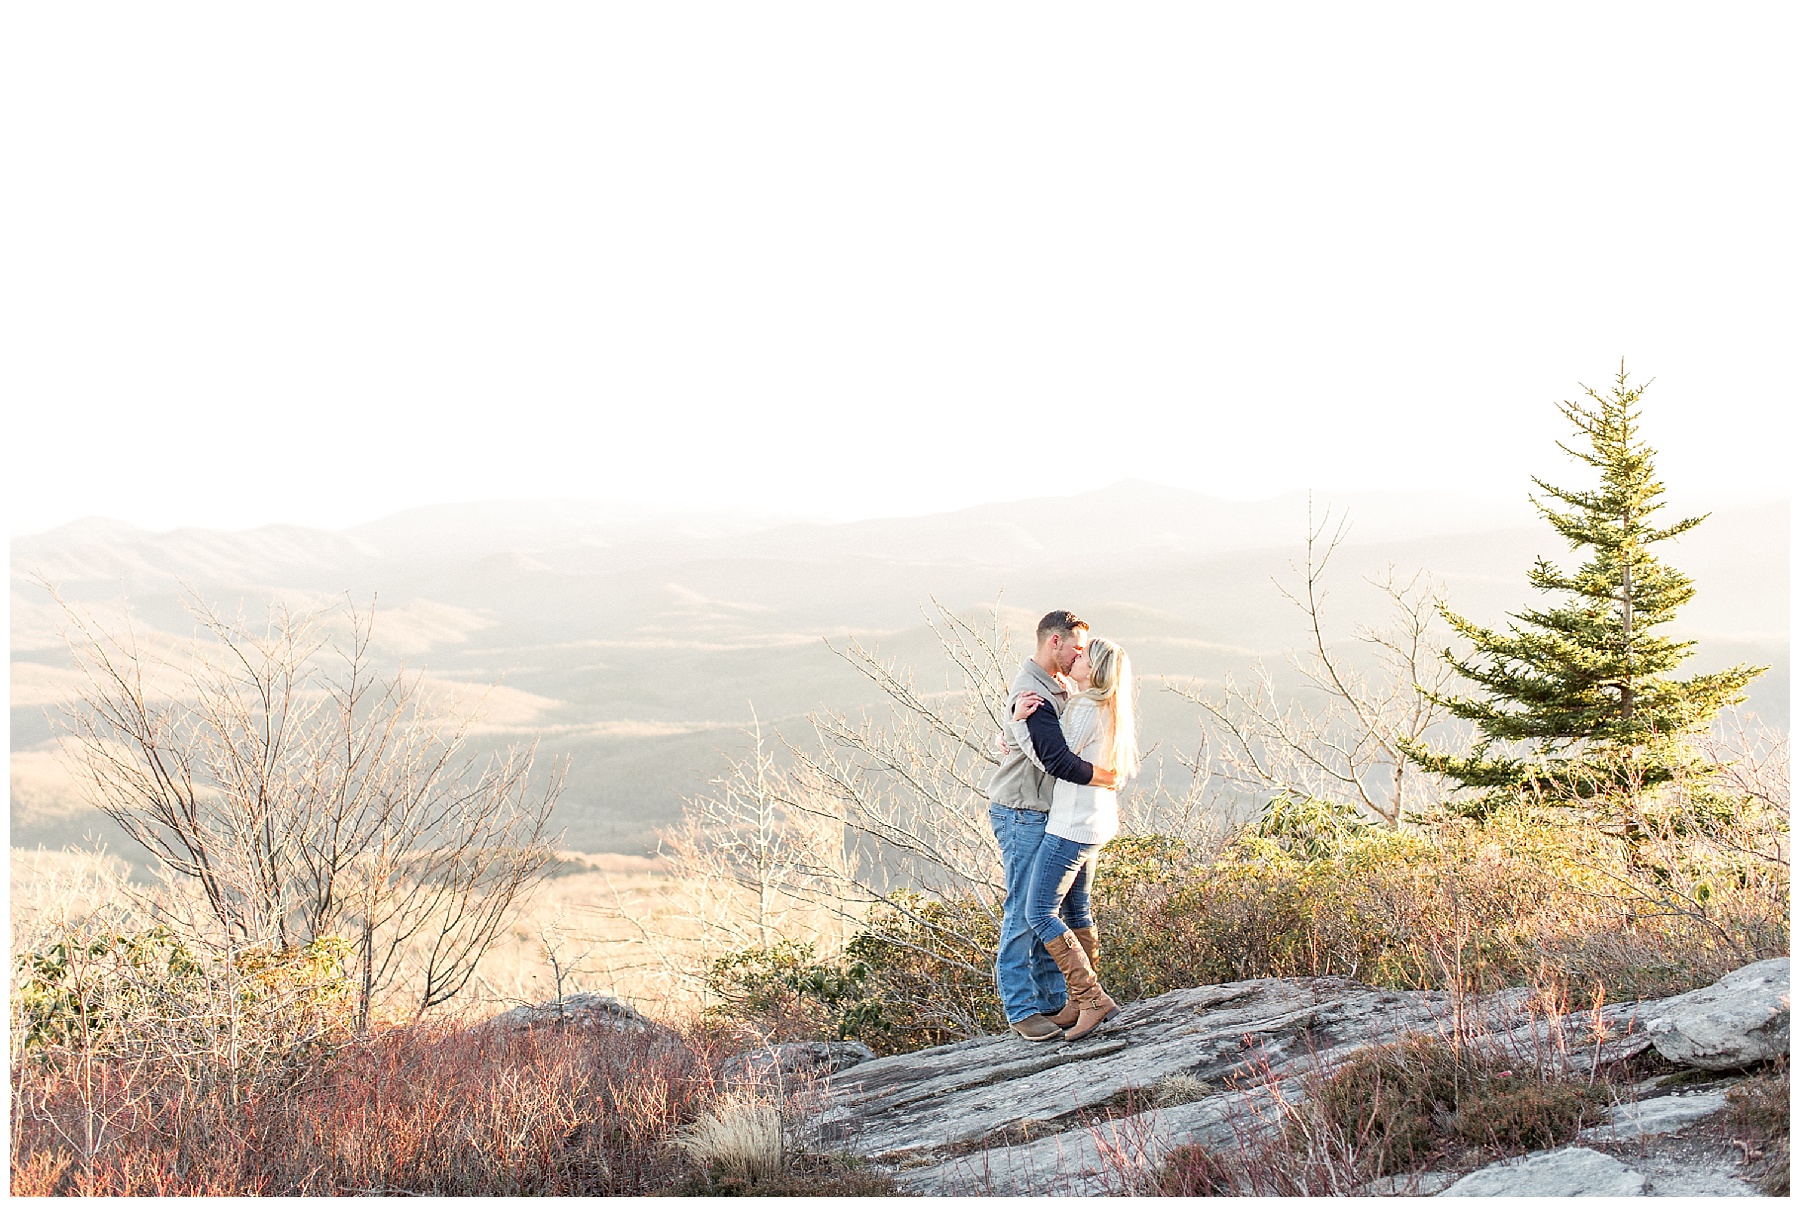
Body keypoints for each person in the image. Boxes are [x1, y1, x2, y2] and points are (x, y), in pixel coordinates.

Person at [987, 610, 1121, 1042]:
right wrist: (1014, 725)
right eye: (1077, 649)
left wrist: (1010, 728)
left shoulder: (1060, 685)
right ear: (1054, 642)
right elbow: (1052, 757)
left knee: (1057, 910)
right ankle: (1023, 1008)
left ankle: (1061, 1002)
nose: (1082, 656)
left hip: (1055, 814)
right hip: (1023, 809)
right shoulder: (1032, 691)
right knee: (1026, 913)